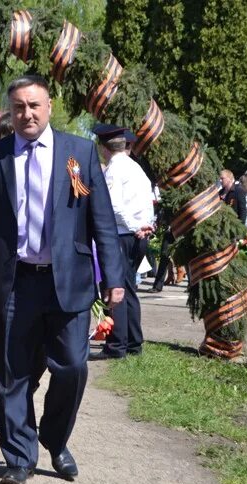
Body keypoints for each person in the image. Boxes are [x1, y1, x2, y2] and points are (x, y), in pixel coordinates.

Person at [0, 75, 124, 484]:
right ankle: (19, 457)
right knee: (11, 373)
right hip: (12, 282)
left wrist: (114, 277)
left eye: (34, 105)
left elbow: (102, 223)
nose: (27, 113)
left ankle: (55, 439)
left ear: (49, 107)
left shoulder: (78, 152)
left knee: (73, 368)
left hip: (68, 281)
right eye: (19, 107)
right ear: (11, 111)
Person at [89, 124, 154, 360]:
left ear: (103, 147)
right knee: (128, 289)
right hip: (138, 235)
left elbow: (113, 206)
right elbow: (147, 202)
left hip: (123, 235)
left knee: (115, 289)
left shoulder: (115, 170)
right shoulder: (136, 169)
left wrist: (136, 226)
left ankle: (117, 345)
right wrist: (146, 225)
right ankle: (133, 342)